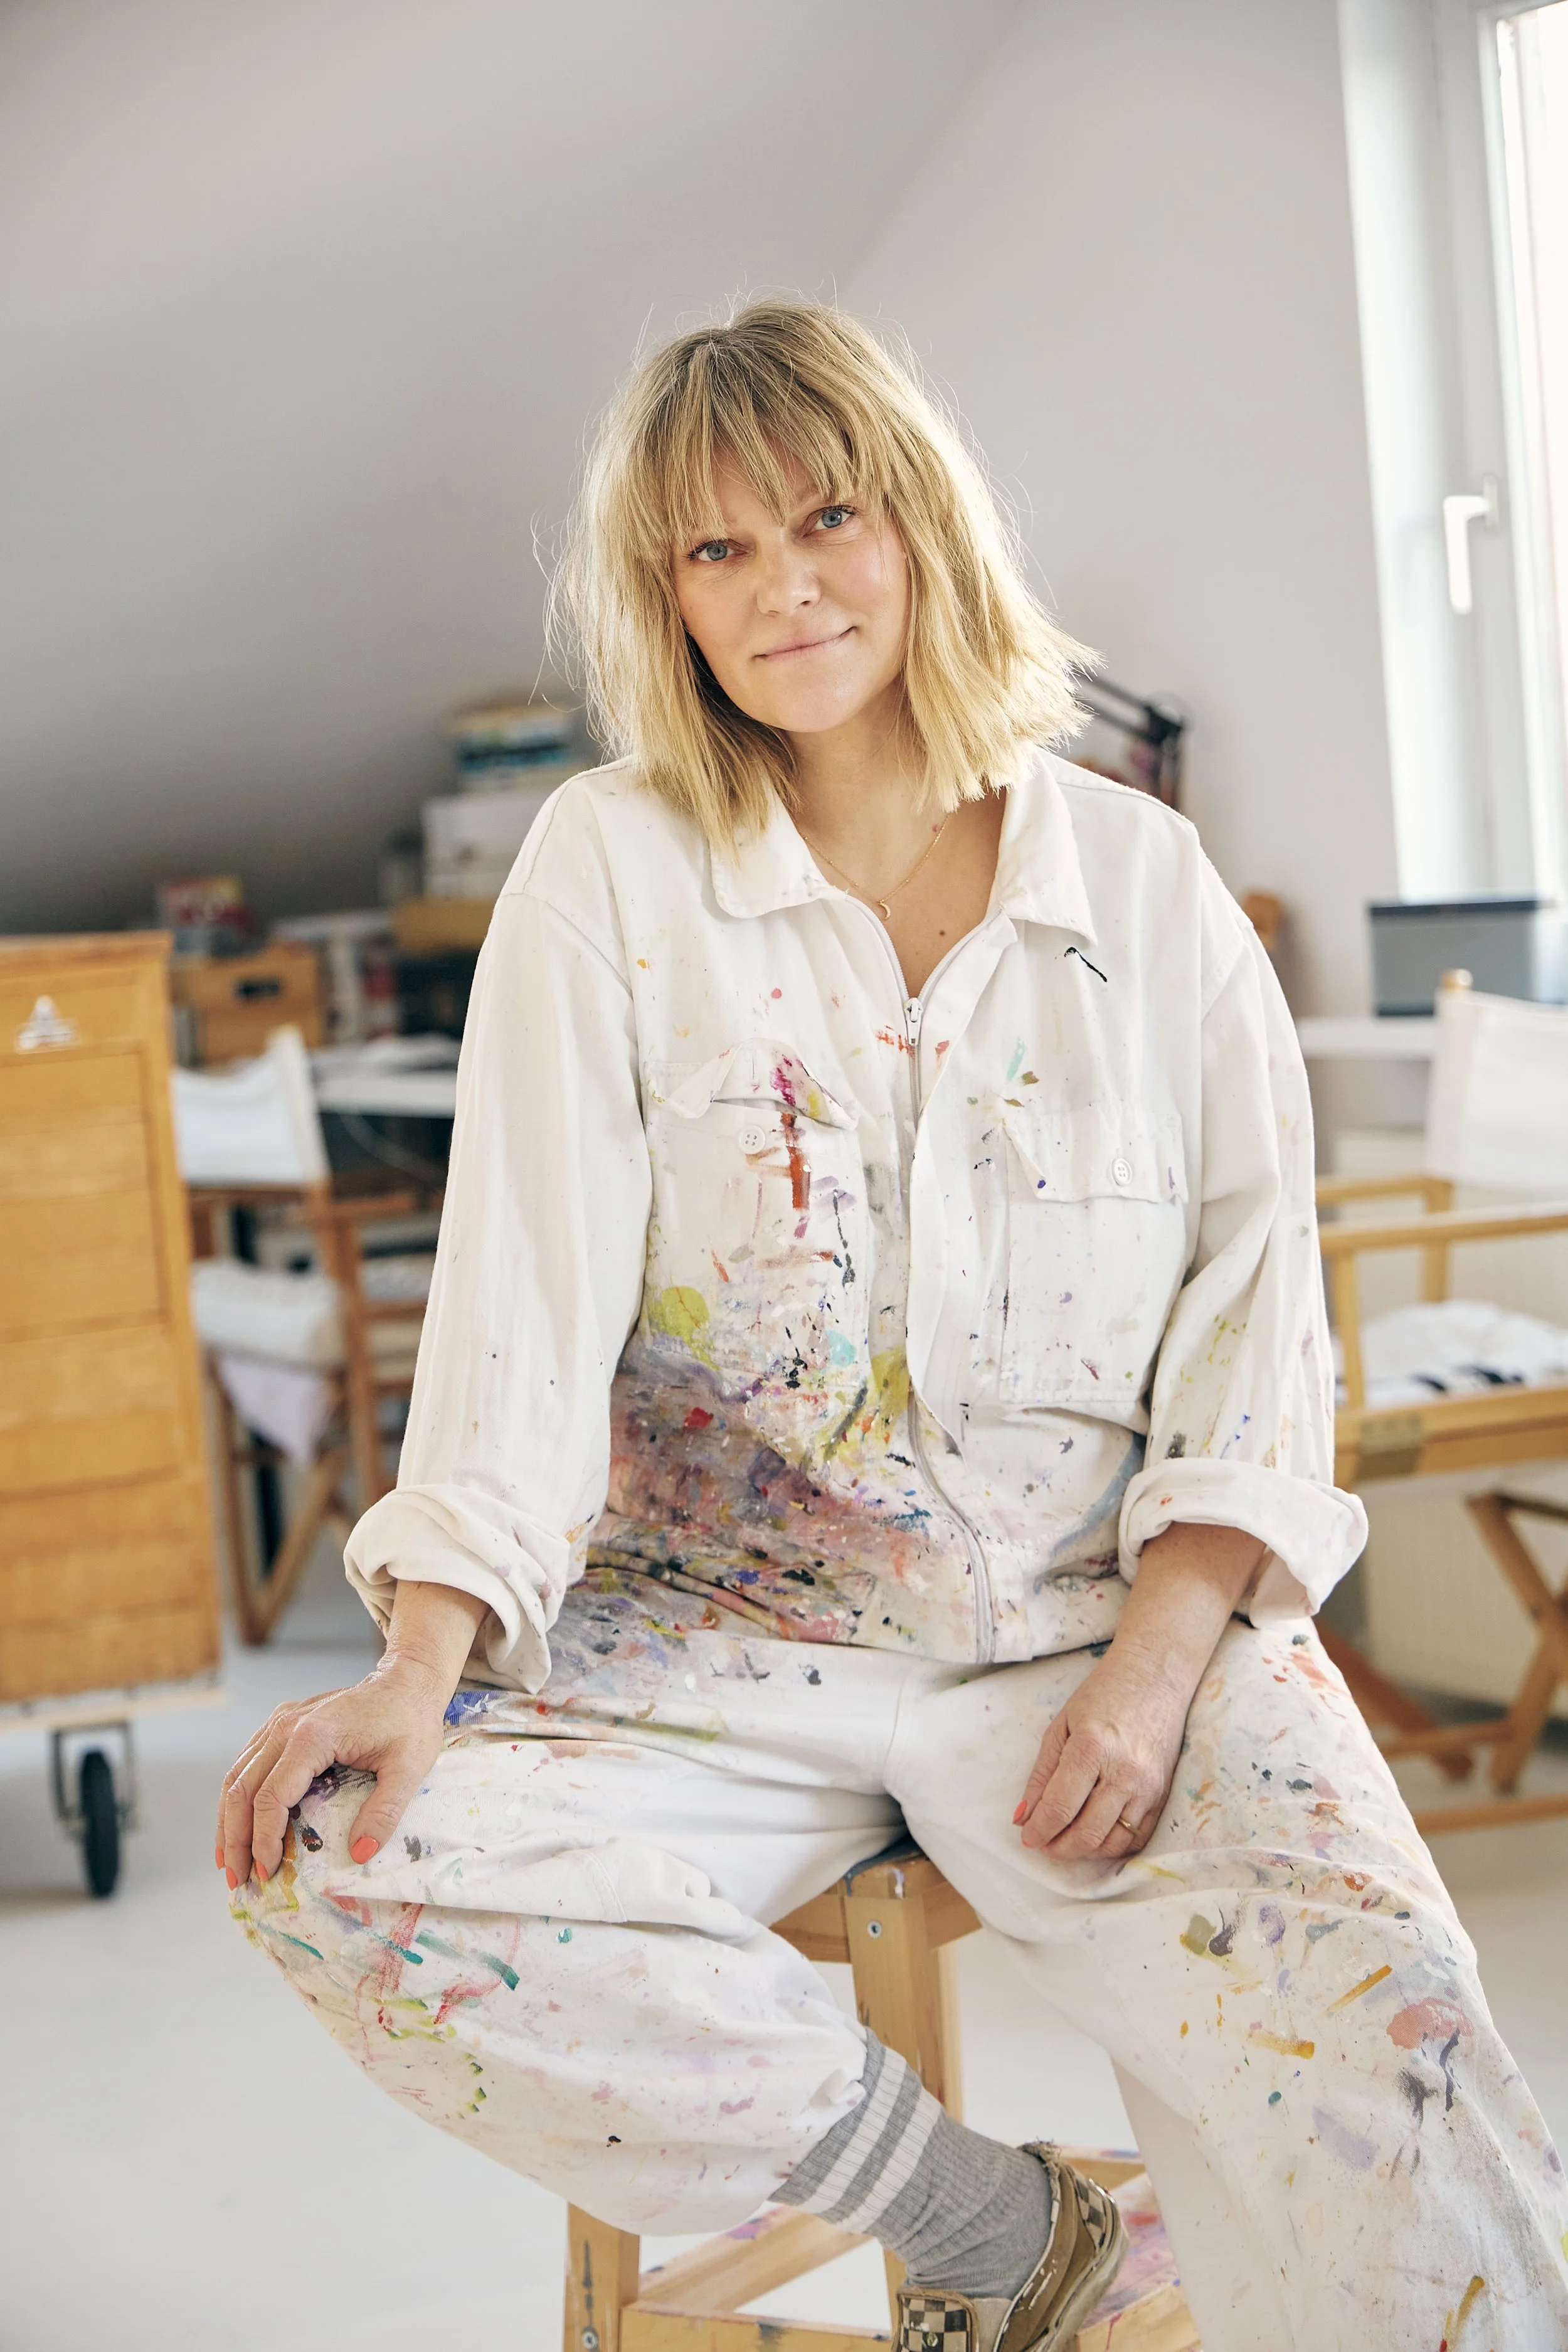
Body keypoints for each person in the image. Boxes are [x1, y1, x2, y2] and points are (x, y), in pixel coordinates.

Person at [219, 302, 1568, 2352]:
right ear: (658, 598)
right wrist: (421, 1657)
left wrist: (1153, 1663)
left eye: (825, 516)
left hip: (1091, 1632)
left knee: (1402, 2048)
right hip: (708, 1649)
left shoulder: (1145, 885)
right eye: (714, 549)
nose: (784, 588)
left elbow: (1249, 1323)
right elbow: (520, 1303)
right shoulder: (609, 868)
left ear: (919, 527)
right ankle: (1008, 2234)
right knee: (327, 1841)